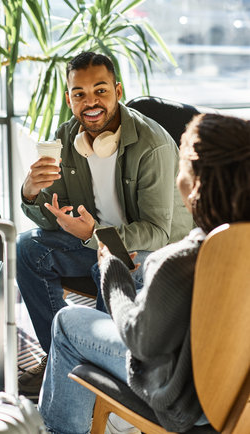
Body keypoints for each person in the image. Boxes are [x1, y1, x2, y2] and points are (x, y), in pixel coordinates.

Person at [38, 113, 250, 434]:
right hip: (238, 396)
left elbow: (140, 340)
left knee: (67, 324)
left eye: (180, 164)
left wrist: (113, 271)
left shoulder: (179, 263)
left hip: (185, 401)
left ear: (193, 183)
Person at [17, 51, 193, 395]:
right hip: (94, 240)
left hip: (150, 250)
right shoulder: (67, 138)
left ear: (118, 91)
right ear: (69, 100)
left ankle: (99, 377)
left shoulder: (152, 144)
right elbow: (56, 214)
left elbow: (157, 232)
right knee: (28, 249)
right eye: (79, 94)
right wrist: (31, 192)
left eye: (100, 91)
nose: (90, 102)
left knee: (107, 268)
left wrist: (94, 236)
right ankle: (58, 358)